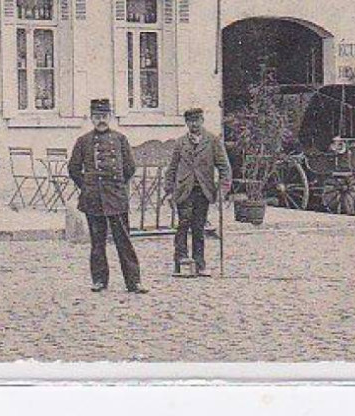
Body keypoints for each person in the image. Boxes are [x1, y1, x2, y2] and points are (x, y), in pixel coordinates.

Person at [66, 98, 147, 294]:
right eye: (96, 117)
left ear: (109, 117)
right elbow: (73, 168)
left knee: (124, 241)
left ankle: (133, 282)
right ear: (91, 118)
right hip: (93, 198)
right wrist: (87, 186)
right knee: (97, 242)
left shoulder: (120, 139)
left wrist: (117, 186)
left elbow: (130, 167)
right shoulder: (83, 141)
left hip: (116, 197)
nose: (100, 120)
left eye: (104, 116)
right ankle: (100, 280)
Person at [165, 107, 233, 278]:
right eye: (190, 121)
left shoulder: (212, 141)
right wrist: (168, 190)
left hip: (203, 191)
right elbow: (172, 168)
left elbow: (224, 167)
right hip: (183, 190)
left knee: (199, 227)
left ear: (202, 121)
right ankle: (180, 259)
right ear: (186, 123)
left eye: (197, 120)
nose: (194, 124)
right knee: (184, 223)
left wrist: (222, 190)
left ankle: (200, 263)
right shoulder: (180, 142)